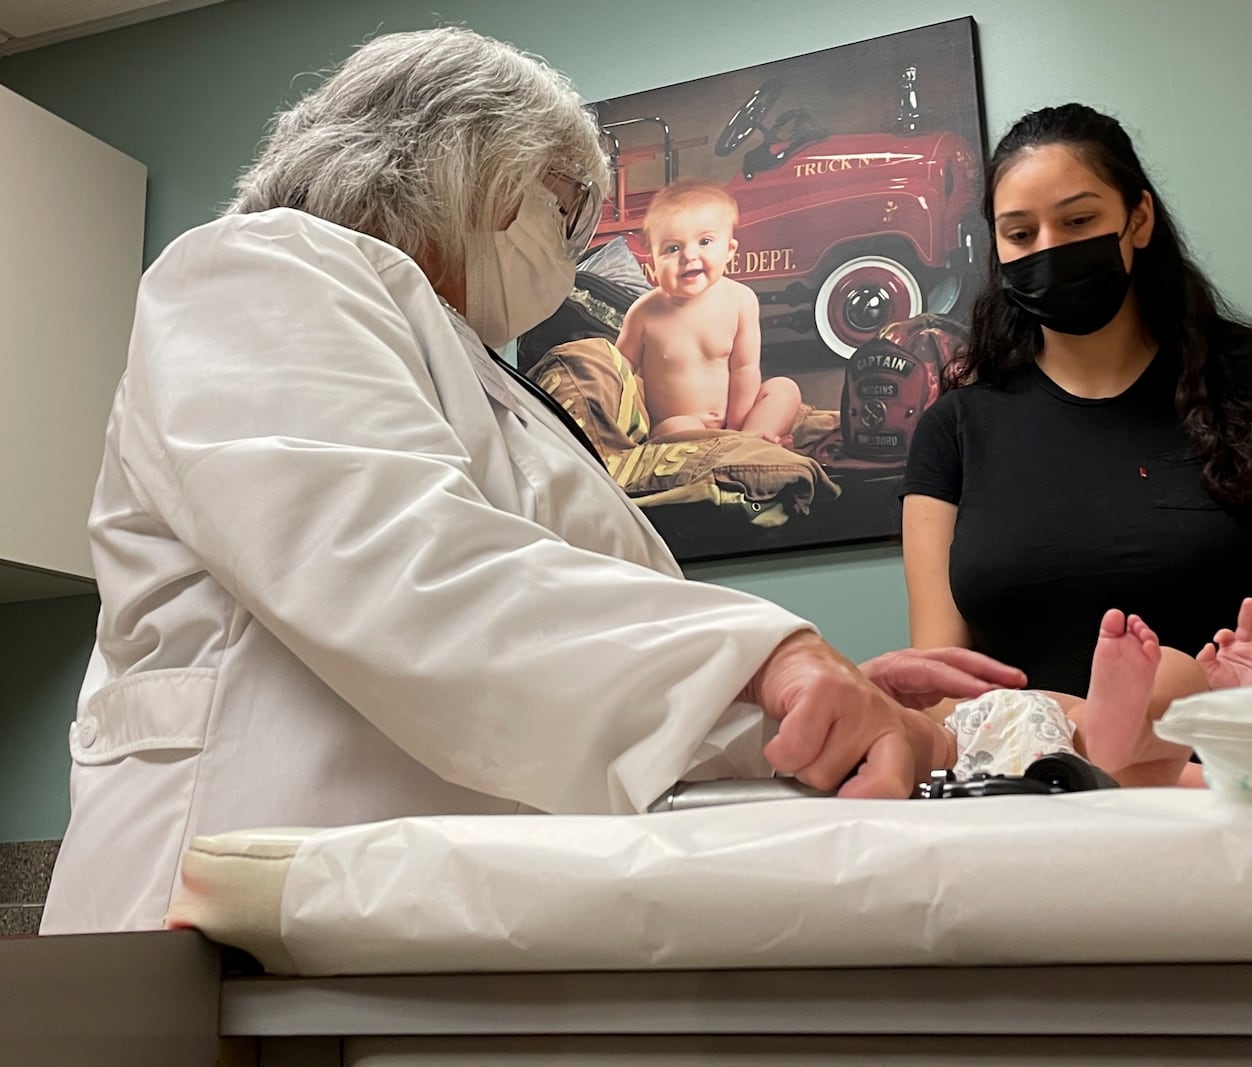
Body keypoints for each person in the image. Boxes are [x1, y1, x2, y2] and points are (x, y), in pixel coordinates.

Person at [41, 28, 1036, 935]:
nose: (568, 255)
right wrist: (775, 668)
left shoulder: (474, 373)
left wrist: (818, 691)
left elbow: (580, 647)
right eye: (562, 208)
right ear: (458, 166)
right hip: (213, 919)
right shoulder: (253, 271)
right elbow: (408, 574)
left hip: (402, 915)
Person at [902, 104, 1252, 783]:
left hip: (1242, 796)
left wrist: (1248, 777)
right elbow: (940, 677)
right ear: (998, 249)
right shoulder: (952, 430)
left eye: (1077, 220)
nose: (1048, 248)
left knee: (1178, 680)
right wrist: (1072, 742)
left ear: (1139, 219)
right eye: (1020, 231)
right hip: (1027, 794)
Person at [616, 179, 801, 444]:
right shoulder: (644, 314)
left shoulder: (740, 300)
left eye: (704, 241)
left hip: (737, 421)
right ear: (652, 261)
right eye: (672, 248)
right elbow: (619, 373)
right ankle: (742, 447)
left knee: (785, 389)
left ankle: (752, 438)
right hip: (679, 425)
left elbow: (745, 368)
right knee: (677, 428)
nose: (689, 255)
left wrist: (739, 426)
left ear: (729, 251)